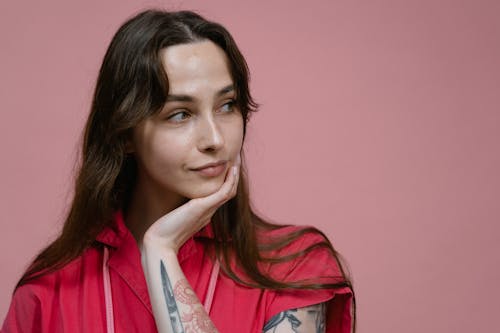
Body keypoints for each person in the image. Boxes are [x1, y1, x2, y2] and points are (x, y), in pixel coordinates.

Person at [2, 9, 356, 333]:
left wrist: (160, 251)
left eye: (227, 105)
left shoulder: (295, 268)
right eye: (180, 114)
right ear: (124, 134)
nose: (216, 139)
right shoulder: (48, 293)